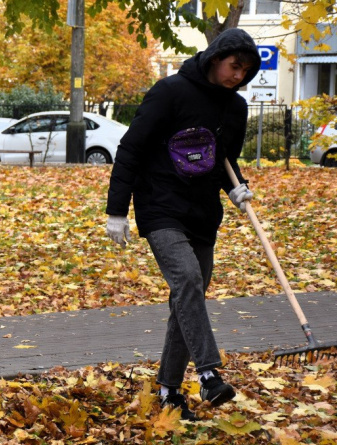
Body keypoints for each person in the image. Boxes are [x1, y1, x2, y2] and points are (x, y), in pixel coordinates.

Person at [104, 28, 259, 421]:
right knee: (187, 279)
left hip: (202, 214)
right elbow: (131, 148)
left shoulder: (235, 108)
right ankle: (208, 374)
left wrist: (236, 187)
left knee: (187, 301)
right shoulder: (170, 92)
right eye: (234, 66)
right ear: (216, 58)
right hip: (160, 207)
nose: (238, 75)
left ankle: (169, 392)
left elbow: (223, 160)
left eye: (245, 70)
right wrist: (117, 211)